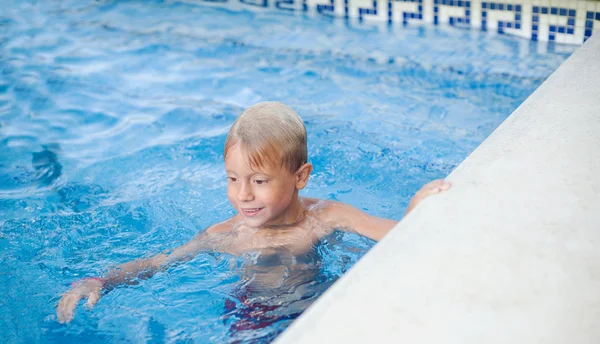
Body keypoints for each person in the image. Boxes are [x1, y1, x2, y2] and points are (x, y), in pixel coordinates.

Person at [56, 101, 451, 324]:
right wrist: (99, 282)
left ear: (300, 176)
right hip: (251, 316)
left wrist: (416, 208)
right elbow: (159, 263)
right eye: (232, 178)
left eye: (259, 181)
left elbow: (394, 232)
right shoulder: (227, 235)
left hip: (321, 312)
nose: (242, 194)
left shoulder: (326, 216)